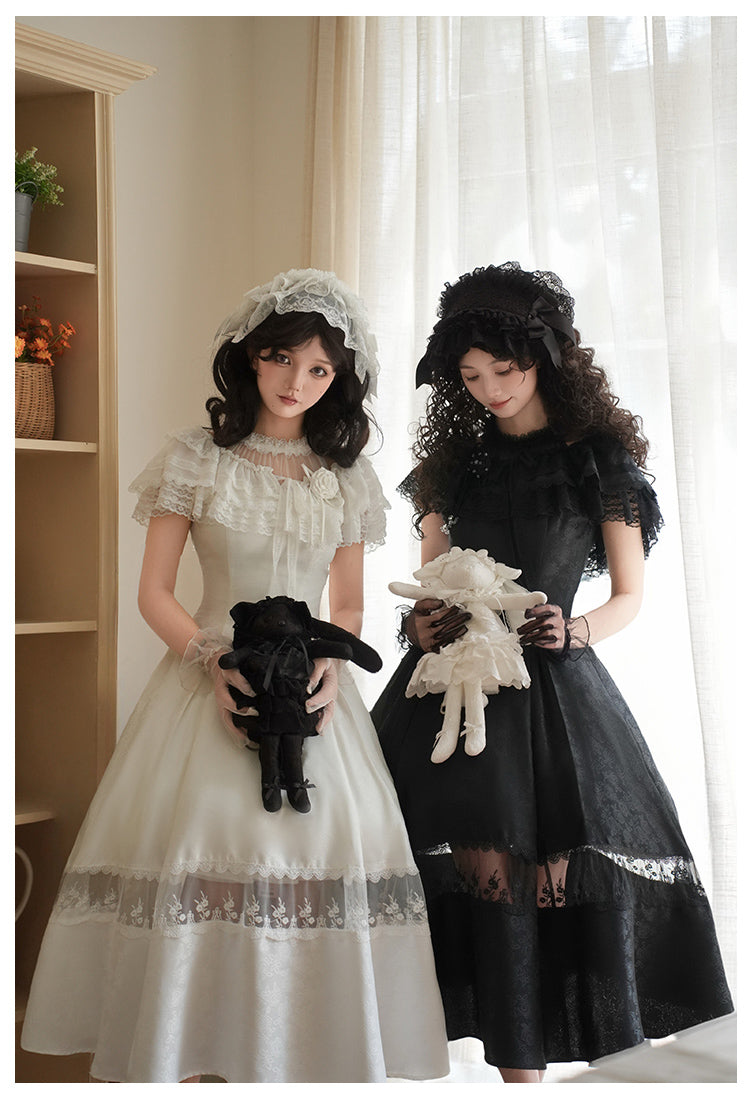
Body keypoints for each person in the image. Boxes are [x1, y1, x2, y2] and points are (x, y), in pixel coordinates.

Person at [21, 268, 450, 1084]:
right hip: (204, 685)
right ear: (252, 356)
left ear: (337, 378)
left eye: (319, 369)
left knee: (321, 860)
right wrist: (212, 662)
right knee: (202, 857)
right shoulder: (197, 457)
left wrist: (329, 667)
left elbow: (348, 604)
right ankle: (193, 1059)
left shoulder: (347, 476)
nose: (297, 382)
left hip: (316, 693)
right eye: (283, 359)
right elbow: (153, 593)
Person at [371, 262, 733, 1083]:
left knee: (551, 892)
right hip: (447, 696)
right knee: (473, 884)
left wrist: (574, 631)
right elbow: (429, 583)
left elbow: (630, 595)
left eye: (504, 369)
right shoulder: (451, 468)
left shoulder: (598, 462)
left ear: (545, 359)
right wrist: (416, 626)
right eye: (471, 377)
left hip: (555, 697)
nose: (490, 390)